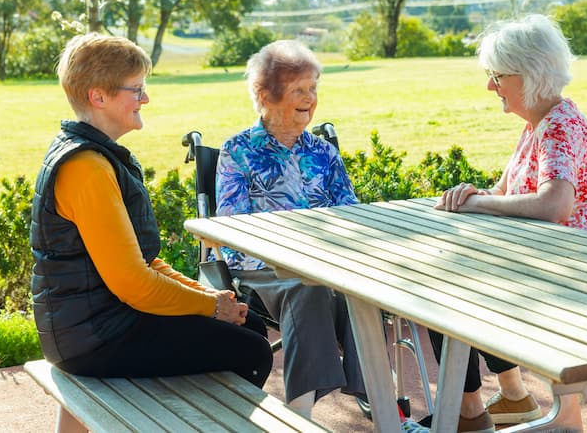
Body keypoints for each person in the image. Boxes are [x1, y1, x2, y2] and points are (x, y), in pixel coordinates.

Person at [30, 33, 272, 387]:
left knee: (247, 323)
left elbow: (143, 262)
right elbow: (135, 285)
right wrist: (212, 307)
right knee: (251, 350)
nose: (145, 98)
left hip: (97, 325)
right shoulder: (86, 168)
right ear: (98, 96)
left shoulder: (95, 156)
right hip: (93, 339)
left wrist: (211, 297)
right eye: (136, 89)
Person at [423, 14, 587, 433]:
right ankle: (497, 403)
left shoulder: (559, 126)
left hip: (576, 279)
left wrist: (480, 205)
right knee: (446, 283)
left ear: (527, 74)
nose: (490, 87)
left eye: (497, 76)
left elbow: (554, 205)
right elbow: (504, 193)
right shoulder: (541, 124)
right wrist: (473, 196)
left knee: (442, 290)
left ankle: (474, 413)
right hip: (554, 269)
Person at [215, 39, 366, 419]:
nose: (310, 99)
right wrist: (291, 261)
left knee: (361, 293)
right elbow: (232, 232)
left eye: (313, 88)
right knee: (307, 288)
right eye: (299, 89)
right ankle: (301, 416)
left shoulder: (323, 152)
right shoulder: (237, 152)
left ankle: (386, 413)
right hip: (264, 269)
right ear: (265, 95)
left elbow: (351, 214)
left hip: (326, 263)